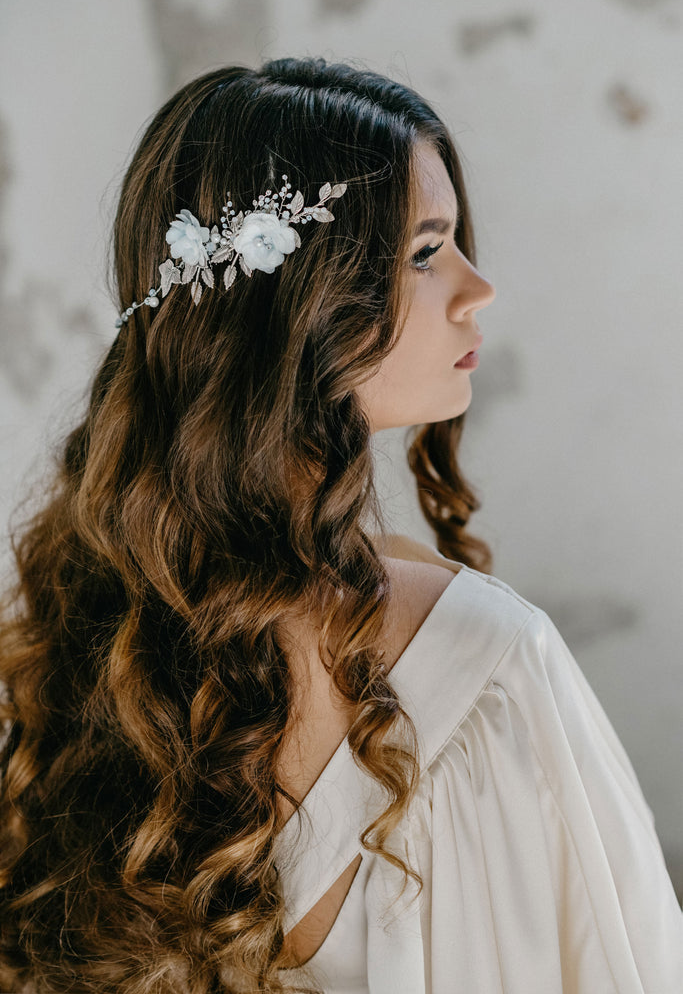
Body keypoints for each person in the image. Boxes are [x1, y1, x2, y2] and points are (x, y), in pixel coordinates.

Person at [0, 58, 680, 994]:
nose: (478, 289)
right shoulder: (482, 660)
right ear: (299, 302)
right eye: (424, 252)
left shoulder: (65, 640)